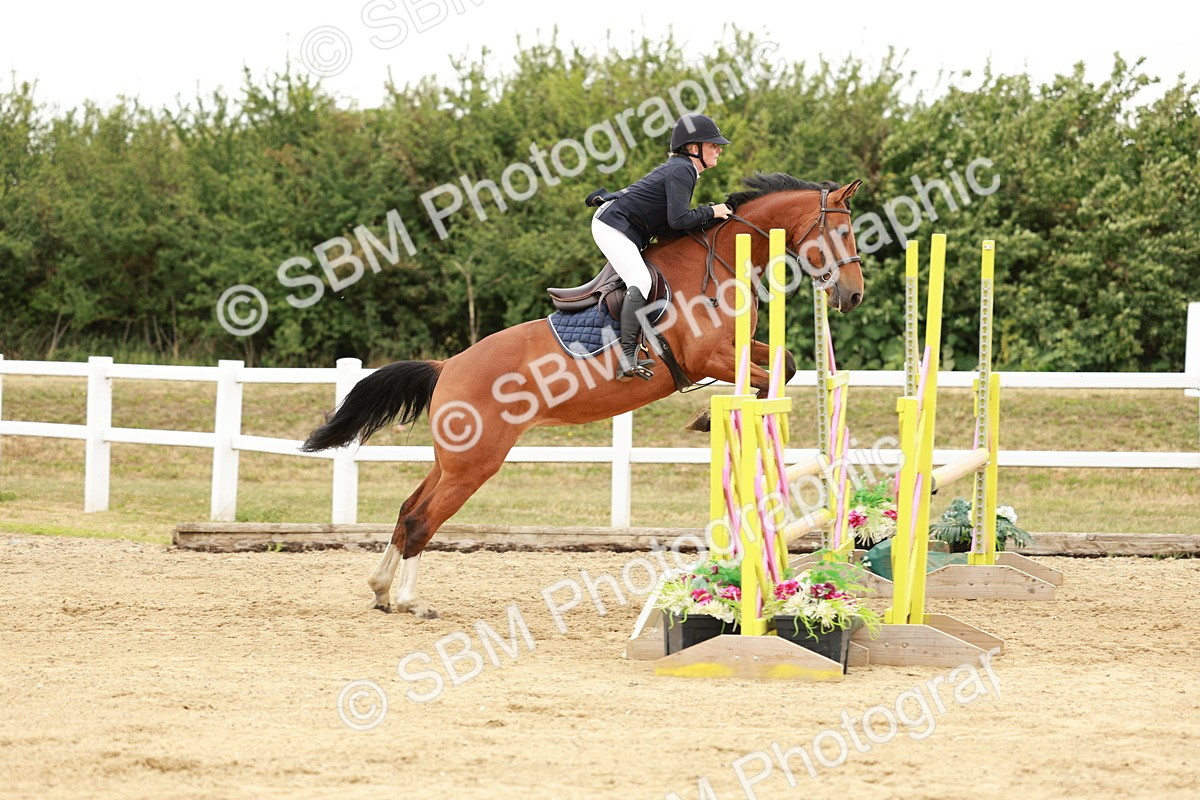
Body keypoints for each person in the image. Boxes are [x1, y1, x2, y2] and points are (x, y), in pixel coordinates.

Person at [588, 113, 733, 381]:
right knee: (640, 280)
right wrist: (712, 212)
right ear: (694, 148)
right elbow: (677, 220)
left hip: (626, 225)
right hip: (612, 225)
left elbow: (671, 224)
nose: (719, 149)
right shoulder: (682, 170)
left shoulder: (682, 168)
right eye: (713, 145)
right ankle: (627, 356)